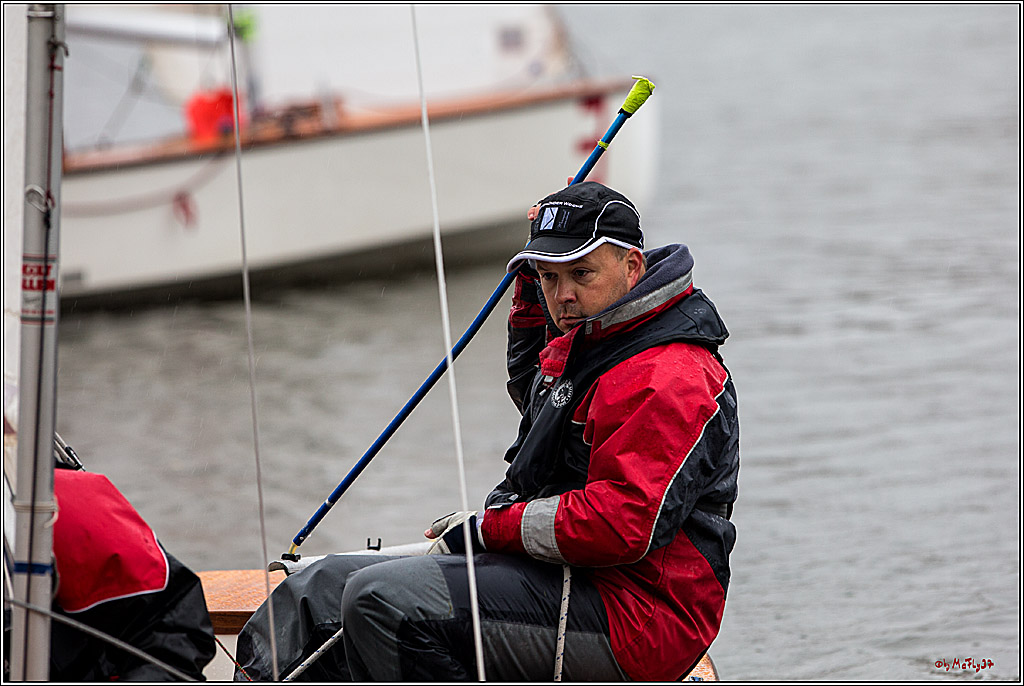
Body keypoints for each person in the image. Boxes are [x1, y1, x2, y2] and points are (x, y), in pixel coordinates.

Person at [233, 181, 739, 681]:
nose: (563, 296)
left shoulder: (669, 375)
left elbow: (622, 525)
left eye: (580, 273)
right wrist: (529, 282)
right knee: (312, 593)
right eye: (547, 277)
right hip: (559, 574)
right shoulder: (598, 336)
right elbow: (536, 395)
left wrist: (485, 530)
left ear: (633, 267)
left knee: (381, 602)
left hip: (639, 616)